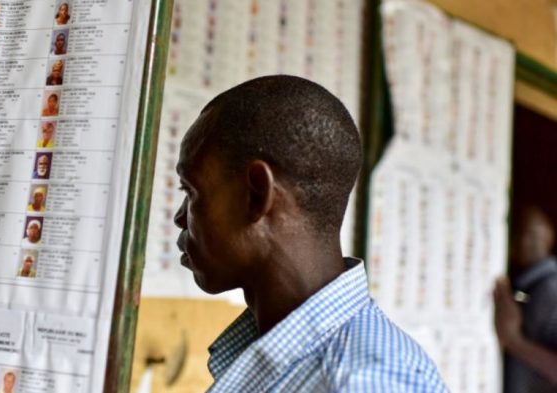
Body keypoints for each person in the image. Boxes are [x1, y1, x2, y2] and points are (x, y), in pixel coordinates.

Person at [173, 76, 447, 392]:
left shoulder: (365, 382)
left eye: (191, 191)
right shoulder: (279, 355)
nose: (181, 217)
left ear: (257, 195)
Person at [494, 207, 557, 392]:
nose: (525, 241)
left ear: (550, 234)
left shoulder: (550, 289)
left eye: (534, 233)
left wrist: (515, 341)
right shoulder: (526, 285)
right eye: (519, 233)